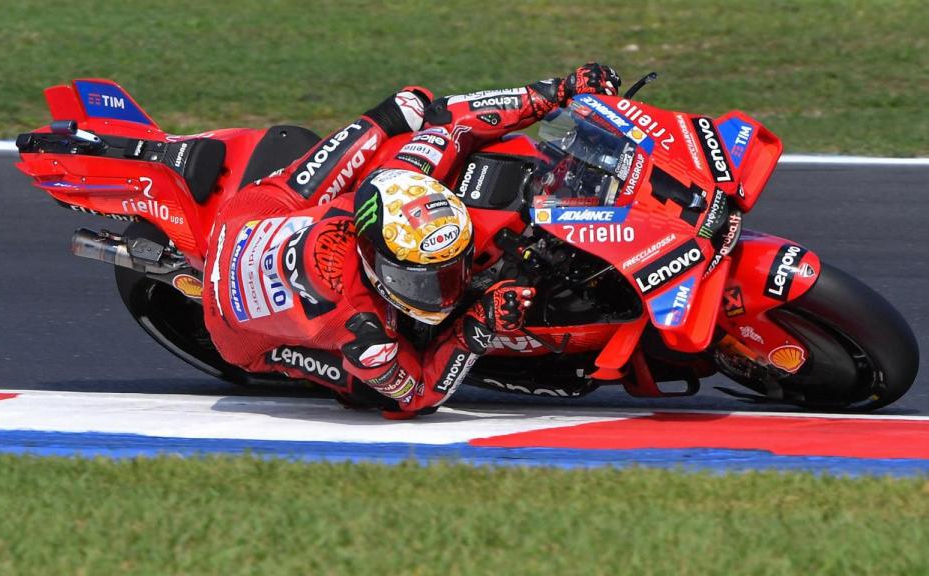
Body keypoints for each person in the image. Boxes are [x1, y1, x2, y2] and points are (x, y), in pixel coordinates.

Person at [201, 63, 621, 417]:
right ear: (378, 266)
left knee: (408, 108)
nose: (448, 290)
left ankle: (381, 121)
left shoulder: (407, 176)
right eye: (426, 280)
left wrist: (556, 93)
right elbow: (415, 395)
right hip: (237, 327)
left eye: (452, 269)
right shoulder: (363, 329)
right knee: (368, 389)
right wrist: (473, 330)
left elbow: (452, 116)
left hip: (261, 214)